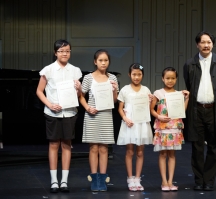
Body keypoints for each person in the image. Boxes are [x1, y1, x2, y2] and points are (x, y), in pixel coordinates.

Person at [183, 31, 216, 191]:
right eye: (203, 42)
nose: (206, 45)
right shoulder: (190, 64)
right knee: (196, 147)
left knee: (214, 147)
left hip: (215, 110)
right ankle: (198, 180)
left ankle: (209, 181)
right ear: (197, 44)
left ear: (213, 44)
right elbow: (189, 85)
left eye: (209, 42)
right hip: (196, 109)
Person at [36, 39, 82, 193]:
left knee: (67, 144)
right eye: (61, 51)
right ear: (55, 53)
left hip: (69, 112)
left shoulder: (75, 70)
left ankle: (64, 181)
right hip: (52, 112)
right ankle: (54, 181)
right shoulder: (48, 70)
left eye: (67, 51)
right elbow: (39, 91)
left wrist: (79, 88)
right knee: (54, 144)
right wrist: (49, 105)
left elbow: (78, 94)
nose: (65, 53)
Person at [79, 49, 118, 192]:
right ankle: (94, 179)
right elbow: (81, 95)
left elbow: (114, 100)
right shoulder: (88, 77)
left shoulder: (112, 78)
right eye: (100, 60)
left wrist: (114, 90)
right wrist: (88, 108)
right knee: (93, 147)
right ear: (95, 62)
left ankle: (103, 178)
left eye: (106, 60)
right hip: (92, 115)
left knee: (104, 148)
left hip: (106, 115)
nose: (103, 63)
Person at [150, 67, 189, 191]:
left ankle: (171, 181)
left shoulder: (178, 94)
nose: (170, 81)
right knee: (163, 154)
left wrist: (186, 98)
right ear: (162, 78)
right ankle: (164, 181)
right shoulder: (158, 93)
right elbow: (151, 109)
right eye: (167, 78)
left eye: (173, 78)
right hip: (163, 127)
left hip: (174, 127)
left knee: (172, 154)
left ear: (176, 79)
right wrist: (159, 116)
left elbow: (182, 111)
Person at [117, 63, 153, 191]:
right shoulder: (125, 90)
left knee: (140, 152)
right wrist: (125, 118)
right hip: (130, 123)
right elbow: (120, 108)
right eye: (134, 74)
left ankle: (138, 179)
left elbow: (149, 109)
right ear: (129, 74)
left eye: (139, 74)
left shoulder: (146, 90)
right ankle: (130, 178)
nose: (136, 77)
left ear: (142, 75)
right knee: (130, 151)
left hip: (142, 123)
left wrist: (152, 100)